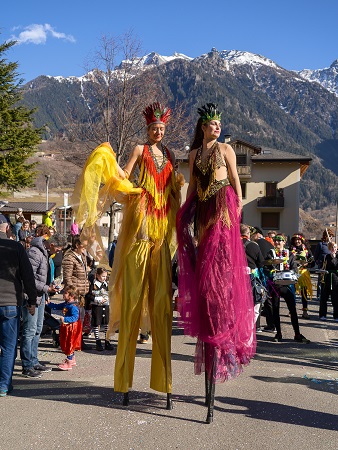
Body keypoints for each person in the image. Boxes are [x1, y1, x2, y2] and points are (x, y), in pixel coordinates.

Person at [72, 102, 183, 409]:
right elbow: (125, 176)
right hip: (141, 230)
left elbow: (175, 190)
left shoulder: (171, 155)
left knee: (161, 308)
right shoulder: (139, 149)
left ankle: (166, 384)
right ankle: (123, 384)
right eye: (153, 128)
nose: (157, 132)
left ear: (165, 129)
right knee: (133, 303)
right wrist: (108, 160)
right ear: (147, 129)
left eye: (161, 128)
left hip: (161, 238)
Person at [177, 103, 256, 423]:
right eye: (212, 123)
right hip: (204, 215)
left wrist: (237, 214)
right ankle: (211, 317)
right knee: (204, 279)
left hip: (223, 211)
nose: (218, 127)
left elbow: (236, 182)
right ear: (202, 126)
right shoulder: (194, 155)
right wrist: (183, 219)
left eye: (220, 123)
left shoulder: (227, 149)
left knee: (217, 275)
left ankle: (223, 324)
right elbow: (192, 189)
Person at [20, 232, 67, 377]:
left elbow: (42, 275)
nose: (58, 252)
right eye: (58, 249)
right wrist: (47, 288)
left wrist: (49, 288)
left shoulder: (45, 252)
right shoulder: (35, 252)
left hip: (40, 296)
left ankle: (34, 361)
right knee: (29, 330)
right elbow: (28, 277)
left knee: (37, 329)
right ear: (52, 245)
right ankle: (27, 365)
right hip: (31, 297)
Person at [0, 214, 37, 397]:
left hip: (10, 303)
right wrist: (32, 301)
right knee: (8, 347)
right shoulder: (15, 247)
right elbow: (28, 276)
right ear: (7, 227)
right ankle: (4, 385)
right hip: (10, 304)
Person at [267, 234, 310, 344]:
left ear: (284, 242)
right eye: (275, 240)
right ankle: (278, 333)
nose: (277, 242)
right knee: (275, 309)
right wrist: (271, 271)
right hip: (275, 285)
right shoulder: (270, 253)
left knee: (293, 310)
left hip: (287, 285)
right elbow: (265, 267)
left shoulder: (289, 254)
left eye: (279, 240)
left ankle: (297, 333)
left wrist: (292, 273)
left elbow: (294, 268)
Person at [62, 235, 90, 350]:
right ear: (77, 245)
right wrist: (71, 293)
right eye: (83, 245)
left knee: (80, 318)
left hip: (82, 291)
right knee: (73, 318)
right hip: (75, 292)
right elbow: (67, 277)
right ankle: (71, 343)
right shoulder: (69, 257)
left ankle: (78, 341)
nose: (85, 247)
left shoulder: (82, 255)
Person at [47, 285, 82, 370]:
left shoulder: (73, 307)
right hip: (67, 327)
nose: (63, 294)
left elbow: (75, 317)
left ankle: (69, 362)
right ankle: (72, 359)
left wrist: (65, 319)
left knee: (69, 343)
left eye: (66, 293)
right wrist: (49, 304)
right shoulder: (67, 304)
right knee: (68, 342)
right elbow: (57, 306)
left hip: (71, 328)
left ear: (72, 296)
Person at [251, 226, 275, 331]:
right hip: (269, 273)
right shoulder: (269, 243)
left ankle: (257, 325)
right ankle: (271, 324)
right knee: (268, 300)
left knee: (257, 299)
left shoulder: (256, 244)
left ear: (256, 234)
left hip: (260, 273)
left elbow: (258, 260)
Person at [240, 224, 265, 326]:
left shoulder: (231, 244)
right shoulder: (254, 245)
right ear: (248, 233)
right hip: (249, 276)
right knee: (253, 304)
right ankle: (248, 328)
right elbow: (261, 263)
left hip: (233, 277)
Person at [86, 267, 112, 351]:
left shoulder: (106, 284)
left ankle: (107, 340)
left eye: (105, 276)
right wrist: (96, 299)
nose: (104, 278)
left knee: (106, 323)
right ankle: (98, 341)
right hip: (97, 306)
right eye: (102, 276)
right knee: (96, 323)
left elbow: (109, 293)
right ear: (97, 275)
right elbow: (89, 295)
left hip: (105, 306)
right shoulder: (93, 284)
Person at [290, 233, 314, 319]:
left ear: (302, 240)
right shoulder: (290, 250)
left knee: (304, 292)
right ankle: (291, 310)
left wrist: (307, 264)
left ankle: (305, 311)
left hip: (303, 273)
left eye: (299, 240)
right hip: (293, 272)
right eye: (295, 240)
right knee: (292, 292)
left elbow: (312, 261)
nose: (297, 241)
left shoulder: (307, 250)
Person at [319, 241, 338, 321]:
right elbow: (323, 266)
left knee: (336, 298)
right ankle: (322, 314)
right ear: (330, 248)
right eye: (332, 247)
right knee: (324, 297)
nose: (333, 249)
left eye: (335, 247)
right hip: (326, 278)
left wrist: (333, 258)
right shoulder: (326, 256)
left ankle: (336, 315)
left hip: (336, 279)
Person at [314, 229, 334, 301]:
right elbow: (315, 255)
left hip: (330, 266)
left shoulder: (332, 245)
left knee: (328, 280)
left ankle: (328, 295)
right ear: (326, 236)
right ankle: (319, 295)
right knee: (320, 280)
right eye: (330, 236)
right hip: (322, 265)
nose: (331, 237)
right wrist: (318, 262)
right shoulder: (321, 244)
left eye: (332, 236)